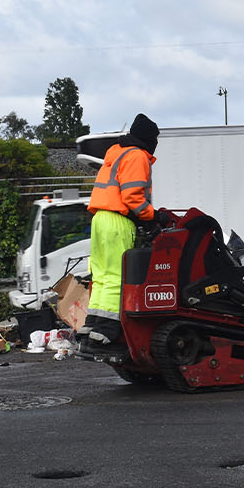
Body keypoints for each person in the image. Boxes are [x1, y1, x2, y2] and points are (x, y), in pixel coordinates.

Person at [79, 113, 161, 359]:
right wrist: (152, 217)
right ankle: (105, 336)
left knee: (102, 276)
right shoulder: (137, 156)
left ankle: (91, 329)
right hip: (118, 221)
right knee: (117, 277)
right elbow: (132, 196)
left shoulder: (116, 153)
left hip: (100, 219)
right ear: (148, 138)